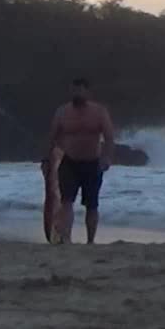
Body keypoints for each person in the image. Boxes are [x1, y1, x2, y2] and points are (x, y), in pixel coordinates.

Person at [48, 78, 114, 244]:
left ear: (87, 92)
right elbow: (52, 137)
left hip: (93, 163)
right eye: (74, 90)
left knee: (92, 205)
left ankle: (90, 241)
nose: (77, 94)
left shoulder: (99, 112)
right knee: (66, 200)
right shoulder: (62, 112)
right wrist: (46, 160)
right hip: (69, 161)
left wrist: (106, 157)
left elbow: (109, 136)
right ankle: (66, 239)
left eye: (80, 90)